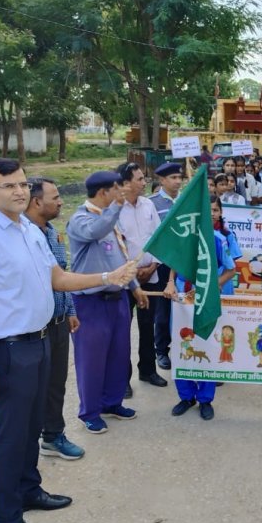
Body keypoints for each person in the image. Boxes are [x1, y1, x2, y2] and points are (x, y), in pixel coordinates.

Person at [0, 159, 136, 523]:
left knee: (33, 425)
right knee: (12, 434)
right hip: (7, 348)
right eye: (8, 186)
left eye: (22, 184)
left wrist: (107, 277)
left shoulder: (31, 232)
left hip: (39, 342)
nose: (19, 191)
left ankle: (28, 490)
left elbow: (57, 278)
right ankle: (4, 518)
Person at [67, 171, 150, 435]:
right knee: (91, 360)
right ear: (104, 192)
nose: (122, 193)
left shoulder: (111, 221)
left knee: (118, 354)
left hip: (118, 300)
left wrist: (135, 287)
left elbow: (123, 258)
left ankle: (112, 403)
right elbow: (95, 231)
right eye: (118, 189)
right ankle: (90, 412)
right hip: (91, 303)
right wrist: (116, 208)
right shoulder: (81, 219)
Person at [23, 177, 85, 462]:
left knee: (56, 383)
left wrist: (70, 310)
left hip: (59, 322)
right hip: (37, 327)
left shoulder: (52, 233)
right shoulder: (23, 236)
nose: (61, 201)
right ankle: (28, 444)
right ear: (37, 202)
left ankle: (53, 435)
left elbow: (63, 275)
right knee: (34, 389)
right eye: (55, 197)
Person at [165, 195, 237, 421]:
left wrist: (214, 285)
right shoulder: (183, 237)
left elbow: (230, 269)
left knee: (206, 343)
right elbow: (174, 264)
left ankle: (205, 398)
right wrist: (169, 282)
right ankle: (186, 396)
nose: (209, 215)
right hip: (182, 297)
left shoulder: (218, 239)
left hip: (205, 297)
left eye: (213, 211)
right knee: (181, 343)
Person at [116, 162, 168, 389]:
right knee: (122, 331)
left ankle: (148, 370)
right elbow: (115, 245)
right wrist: (133, 272)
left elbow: (158, 238)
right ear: (125, 183)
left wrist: (153, 266)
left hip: (150, 277)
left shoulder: (148, 205)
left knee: (147, 326)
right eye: (139, 179)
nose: (144, 182)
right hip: (125, 280)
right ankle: (122, 378)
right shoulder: (114, 209)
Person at [150, 162, 183, 370]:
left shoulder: (187, 201)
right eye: (173, 178)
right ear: (162, 180)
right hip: (162, 264)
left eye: (180, 177)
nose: (178, 181)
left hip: (185, 263)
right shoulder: (151, 204)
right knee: (162, 313)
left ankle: (186, 350)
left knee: (186, 308)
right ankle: (162, 351)